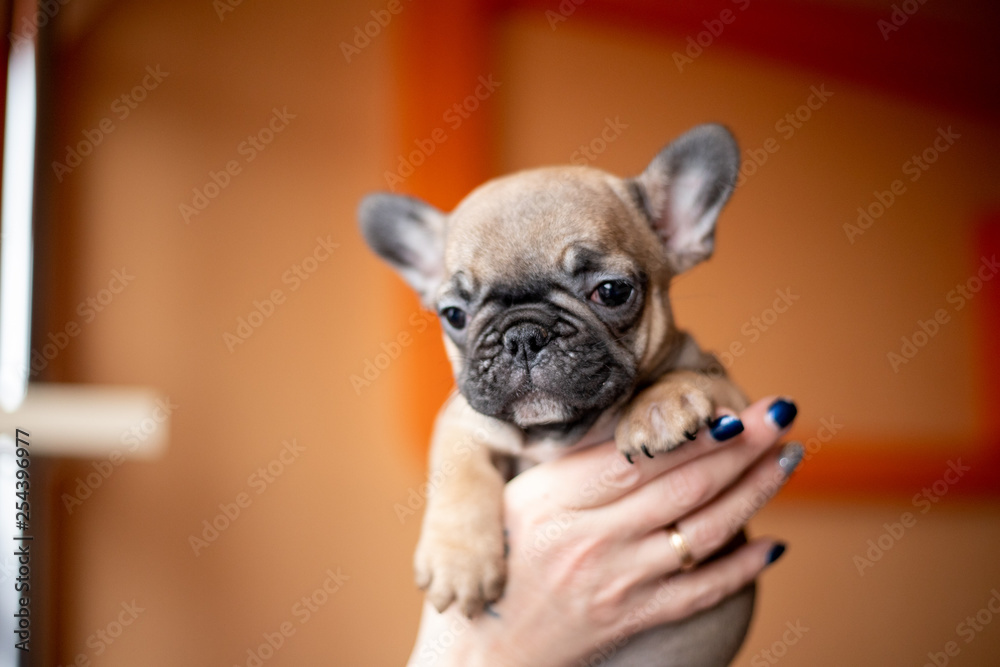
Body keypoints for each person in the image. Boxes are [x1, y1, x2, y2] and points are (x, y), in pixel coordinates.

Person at [407, 396, 802, 667]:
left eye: (610, 293)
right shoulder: (480, 413)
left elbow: (718, 400)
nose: (529, 341)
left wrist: (680, 394)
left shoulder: (683, 374)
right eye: (462, 315)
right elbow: (460, 426)